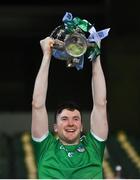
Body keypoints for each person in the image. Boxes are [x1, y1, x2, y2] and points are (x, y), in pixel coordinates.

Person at [31, 37, 108, 179]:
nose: (71, 123)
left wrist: (95, 56)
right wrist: (46, 55)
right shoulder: (45, 148)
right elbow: (37, 105)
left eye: (76, 119)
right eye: (64, 119)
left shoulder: (93, 147)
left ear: (81, 125)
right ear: (55, 127)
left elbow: (101, 104)